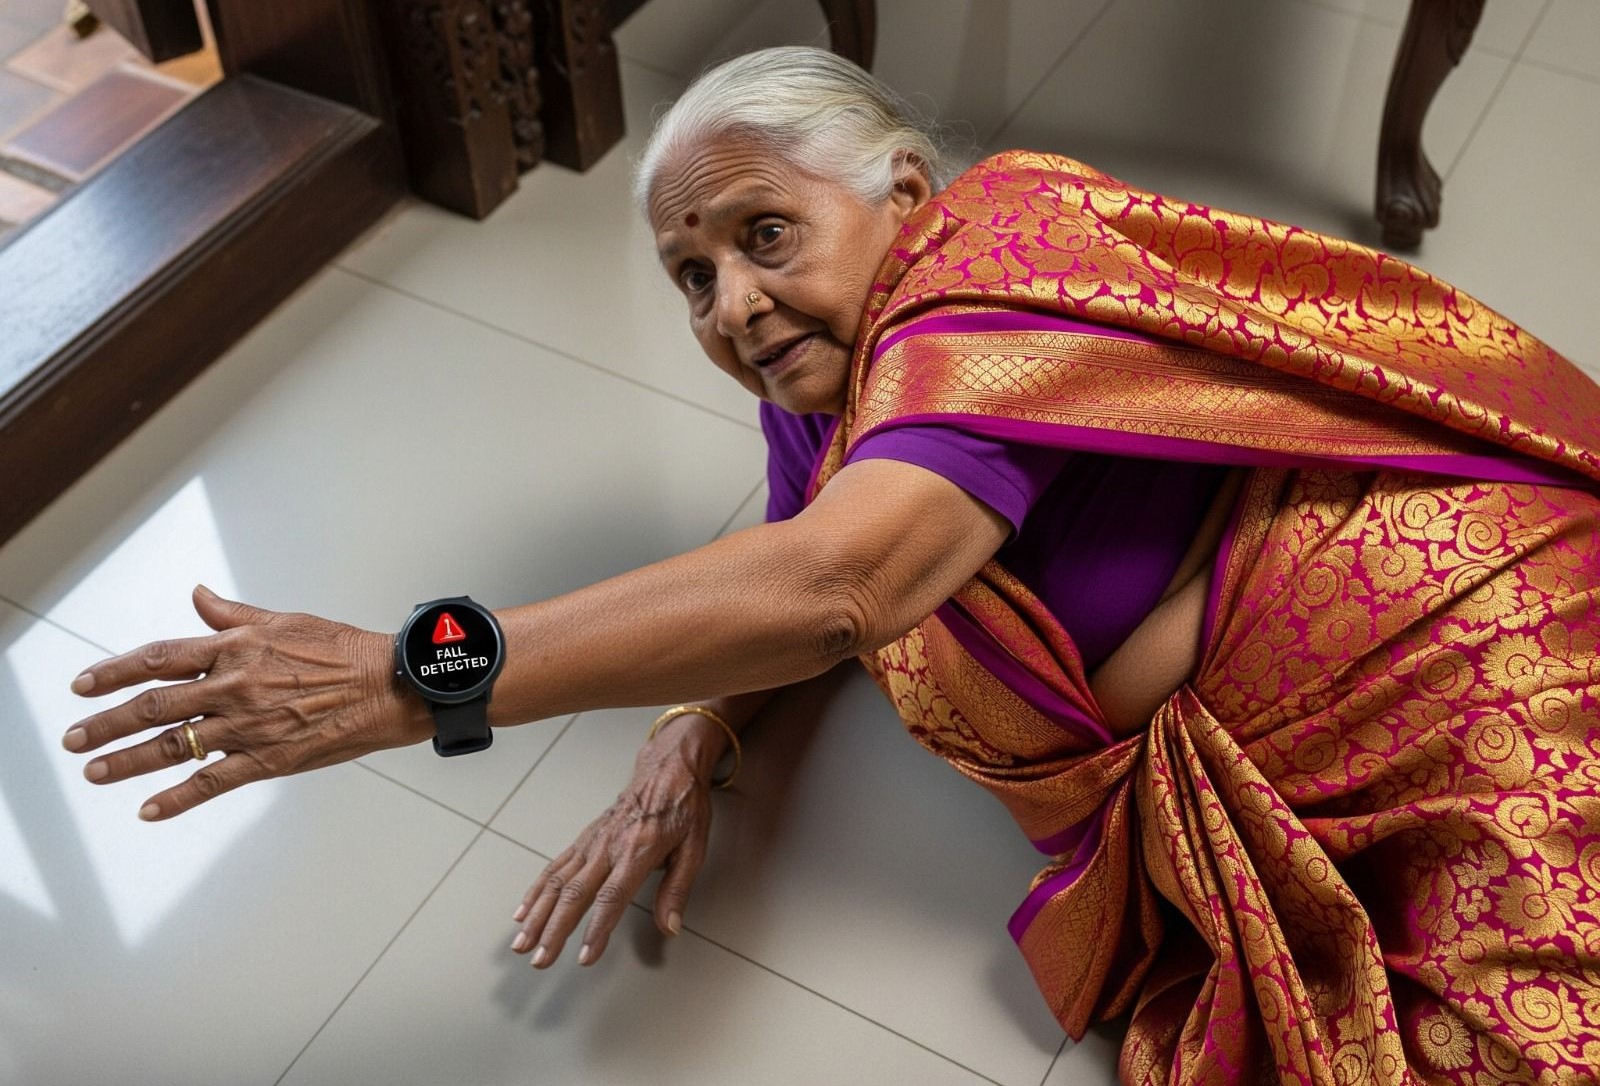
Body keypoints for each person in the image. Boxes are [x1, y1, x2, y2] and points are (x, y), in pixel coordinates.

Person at [61, 46, 1600, 1085]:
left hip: (1439, 634)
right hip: (1264, 745)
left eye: (764, 235)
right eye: (692, 275)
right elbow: (799, 556)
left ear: (905, 199)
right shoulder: (829, 386)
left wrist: (418, 677)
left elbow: (842, 587)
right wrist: (694, 732)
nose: (731, 303)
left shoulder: (992, 271)